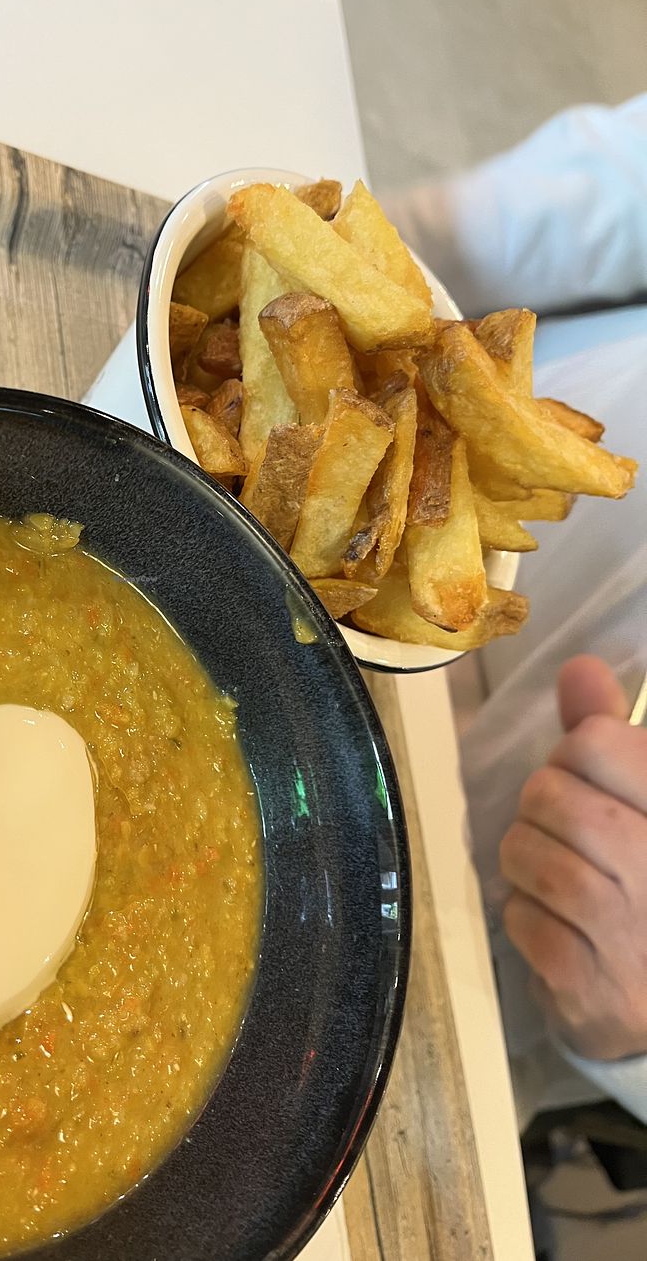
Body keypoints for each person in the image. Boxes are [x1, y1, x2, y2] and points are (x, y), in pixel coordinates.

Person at [383, 95, 647, 1128]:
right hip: (410, 514)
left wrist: (640, 1052)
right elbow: (603, 187)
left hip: (473, 986)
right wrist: (392, 272)